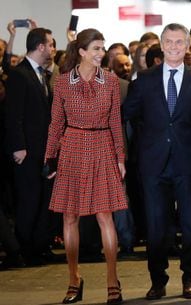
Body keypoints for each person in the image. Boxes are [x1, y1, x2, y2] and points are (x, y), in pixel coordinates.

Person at [123, 23, 191, 300]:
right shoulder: (144, 80)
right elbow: (126, 115)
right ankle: (157, 280)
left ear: (187, 47)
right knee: (156, 225)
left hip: (188, 162)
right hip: (152, 164)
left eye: (179, 42)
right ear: (161, 46)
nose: (174, 47)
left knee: (190, 225)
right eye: (169, 42)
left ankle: (190, 278)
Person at [44, 28, 127, 305]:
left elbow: (116, 121)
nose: (101, 53)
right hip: (72, 147)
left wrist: (120, 158)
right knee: (69, 217)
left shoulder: (112, 81)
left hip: (103, 145)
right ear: (81, 51)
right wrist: (50, 157)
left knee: (105, 216)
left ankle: (112, 280)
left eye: (102, 48)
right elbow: (56, 122)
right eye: (96, 49)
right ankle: (73, 279)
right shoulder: (63, 81)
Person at [4, 27, 56, 266]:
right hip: (26, 151)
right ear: (41, 46)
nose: (53, 49)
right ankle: (25, 250)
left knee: (43, 200)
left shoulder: (41, 74)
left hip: (43, 150)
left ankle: (39, 246)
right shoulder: (19, 74)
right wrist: (18, 146)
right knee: (28, 201)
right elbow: (13, 115)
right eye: (51, 44)